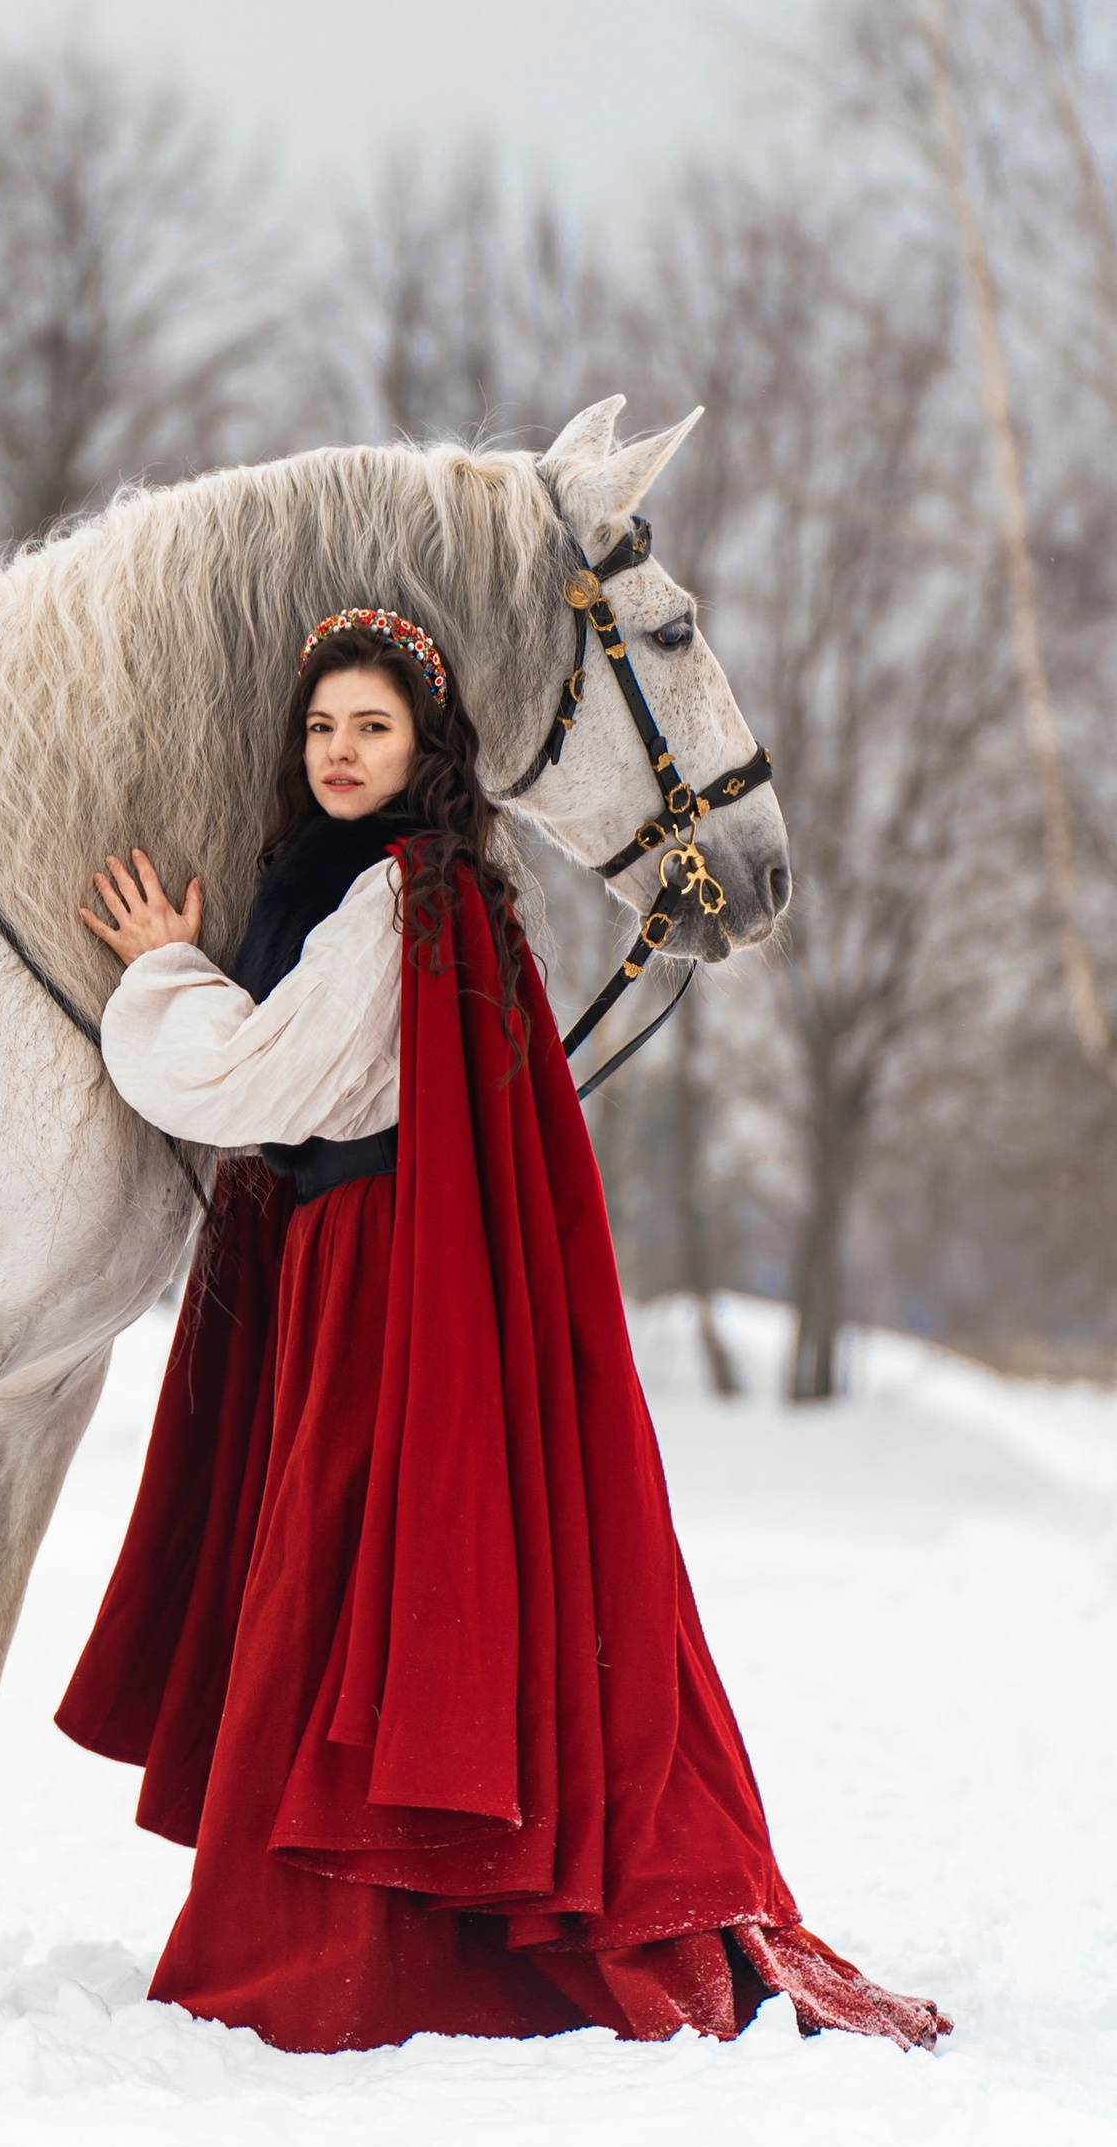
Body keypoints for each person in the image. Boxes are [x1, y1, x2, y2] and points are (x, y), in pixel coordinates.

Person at [59, 605, 946, 2055]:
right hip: (358, 1266)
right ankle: (372, 1914)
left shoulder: (402, 892)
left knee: (342, 1587)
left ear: (428, 751)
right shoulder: (350, 882)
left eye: (373, 730)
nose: (341, 753)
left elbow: (253, 1085)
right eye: (322, 728)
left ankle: (352, 1934)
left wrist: (164, 970)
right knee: (343, 1589)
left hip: (382, 1281)